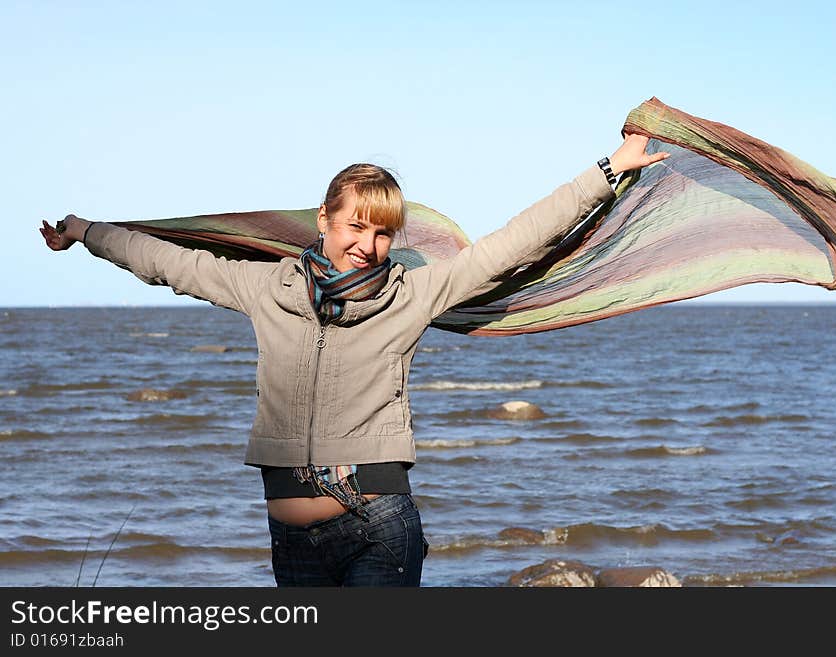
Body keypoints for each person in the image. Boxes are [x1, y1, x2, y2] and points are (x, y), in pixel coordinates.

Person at [40, 133, 668, 586]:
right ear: (324, 219)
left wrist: (606, 170)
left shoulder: (415, 294)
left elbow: (511, 243)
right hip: (292, 542)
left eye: (382, 233)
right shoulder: (267, 289)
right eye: (355, 227)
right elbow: (170, 264)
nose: (367, 246)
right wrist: (86, 230)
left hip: (379, 529)